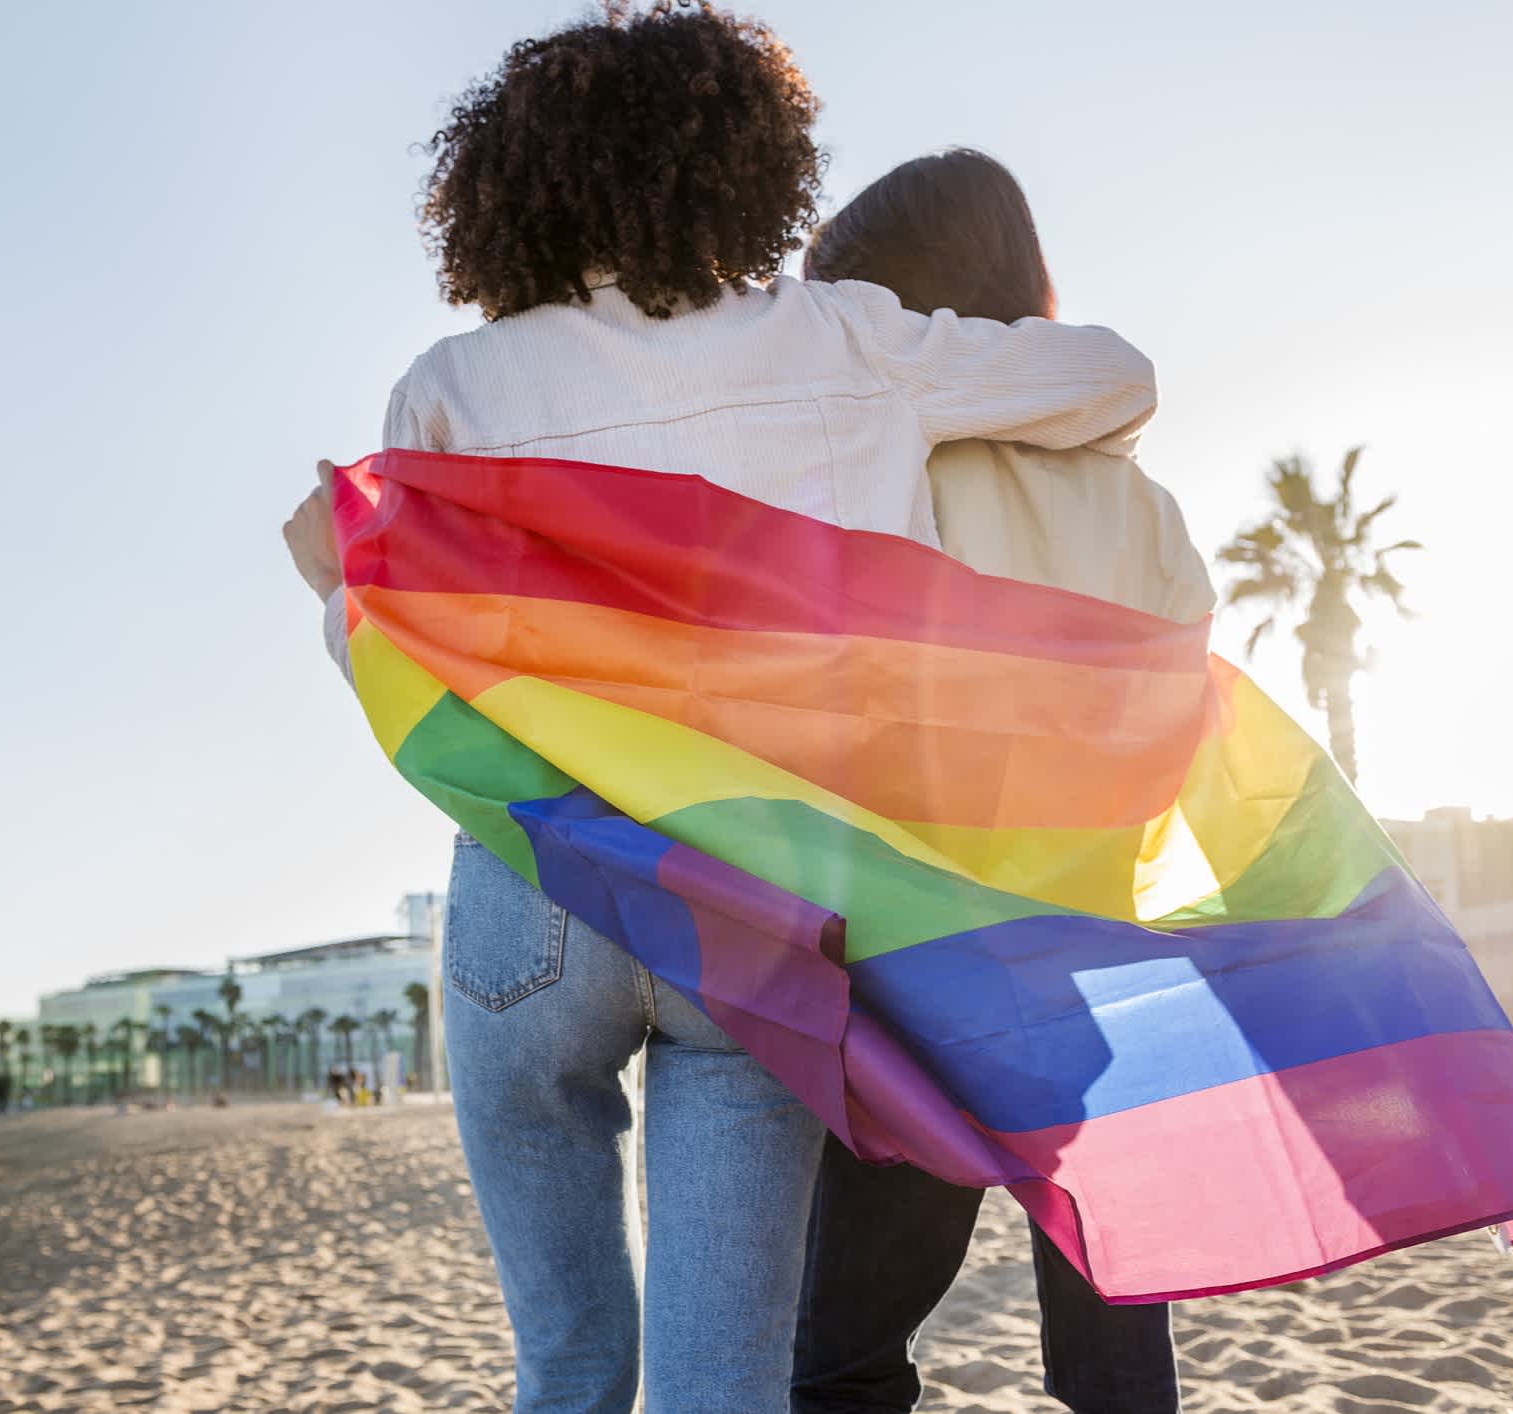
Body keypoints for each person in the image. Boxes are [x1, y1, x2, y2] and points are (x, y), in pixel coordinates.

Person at [282, 9, 1157, 1411]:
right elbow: (1115, 377)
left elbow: (388, 651)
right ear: (752, 165)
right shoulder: (849, 337)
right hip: (758, 898)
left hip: (534, 888)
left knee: (565, 1364)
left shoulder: (450, 386)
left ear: (510, 186)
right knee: (723, 1383)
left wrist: (337, 584)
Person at [790, 149, 1199, 1414]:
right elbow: (1171, 726)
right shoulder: (1143, 502)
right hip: (1091, 955)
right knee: (1114, 1321)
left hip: (925, 964)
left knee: (847, 1353)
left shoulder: (889, 481)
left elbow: (845, 716)